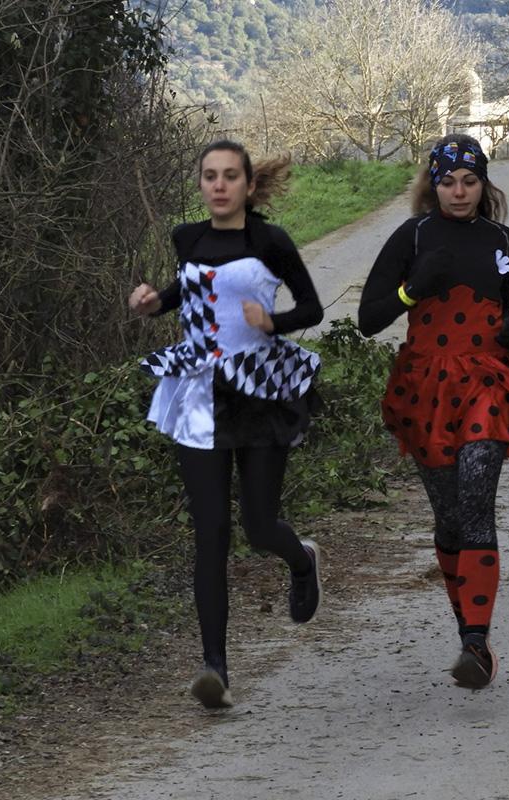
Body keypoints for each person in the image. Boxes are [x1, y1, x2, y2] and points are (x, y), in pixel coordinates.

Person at [128, 140, 324, 709]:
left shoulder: (270, 241)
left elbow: (311, 308)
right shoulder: (187, 238)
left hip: (259, 391)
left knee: (259, 527)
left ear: (248, 185)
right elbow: (184, 294)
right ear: (200, 183)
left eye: (230, 176)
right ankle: (215, 668)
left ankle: (302, 559)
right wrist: (152, 303)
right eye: (210, 176)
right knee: (210, 531)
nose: (219, 185)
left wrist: (273, 321)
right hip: (198, 394)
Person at [358, 134, 509, 689]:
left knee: (477, 500)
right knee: (450, 519)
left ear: (484, 183)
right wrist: (413, 290)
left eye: (469, 181)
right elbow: (369, 318)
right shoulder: (412, 236)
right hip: (427, 387)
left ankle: (476, 643)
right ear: (432, 185)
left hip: (488, 380)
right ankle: (468, 631)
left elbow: (504, 310)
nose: (459, 192)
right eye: (448, 182)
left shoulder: (503, 239)